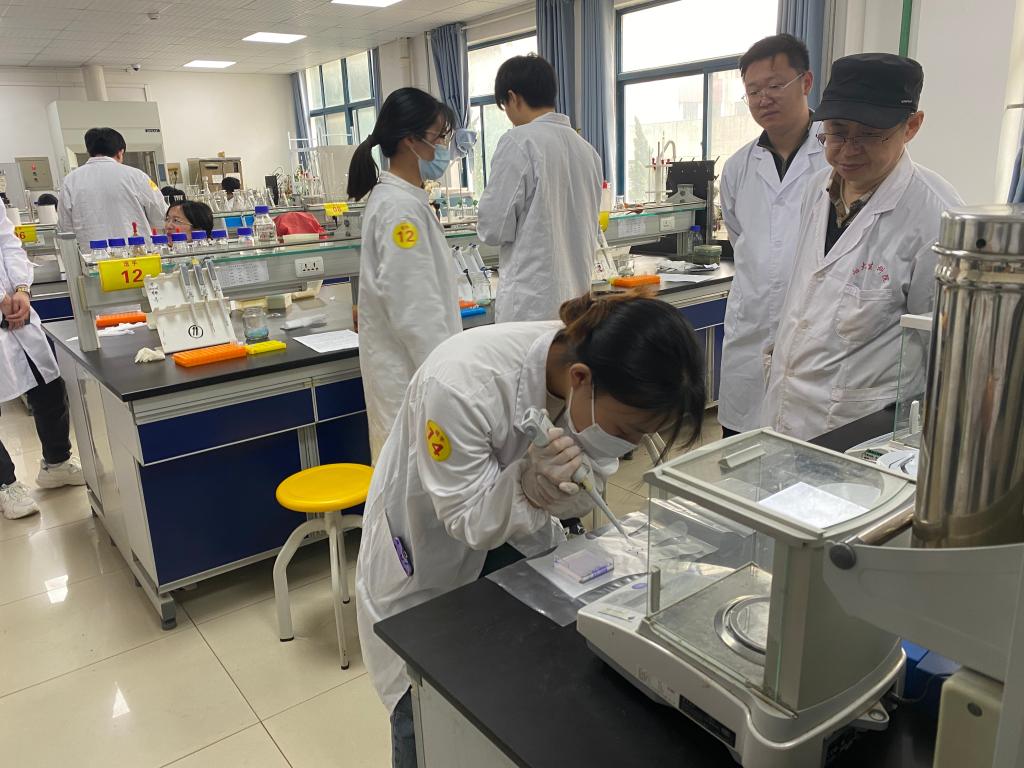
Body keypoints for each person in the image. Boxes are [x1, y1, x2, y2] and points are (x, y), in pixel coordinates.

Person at [355, 290, 706, 767]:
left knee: (509, 705)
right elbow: (465, 519)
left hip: (517, 547)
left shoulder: (594, 380)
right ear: (580, 379)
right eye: (627, 432)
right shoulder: (462, 382)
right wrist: (530, 487)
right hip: (430, 555)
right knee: (423, 704)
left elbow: (587, 485)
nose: (628, 445)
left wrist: (550, 489)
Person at [762, 53, 962, 440]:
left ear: (911, 126)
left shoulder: (936, 216)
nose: (848, 150)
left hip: (861, 429)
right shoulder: (816, 189)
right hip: (786, 409)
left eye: (869, 134)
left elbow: (945, 348)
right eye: (837, 132)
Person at [718, 34, 829, 438]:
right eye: (753, 91)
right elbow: (740, 239)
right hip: (750, 331)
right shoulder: (738, 167)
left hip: (815, 337)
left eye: (775, 85)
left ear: (806, 81)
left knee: (801, 454)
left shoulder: (835, 155)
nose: (763, 98)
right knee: (739, 450)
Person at [347, 88, 463, 461]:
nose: (443, 148)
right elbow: (416, 312)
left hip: (416, 373)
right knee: (413, 476)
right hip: (411, 377)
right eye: (438, 137)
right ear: (410, 140)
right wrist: (450, 381)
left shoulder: (406, 200)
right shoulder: (399, 210)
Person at [477, 54, 603, 323]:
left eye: (504, 106)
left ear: (513, 97)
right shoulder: (587, 151)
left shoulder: (519, 141)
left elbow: (492, 228)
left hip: (530, 305)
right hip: (576, 305)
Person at [0, 199, 85, 520]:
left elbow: (8, 243)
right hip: (6, 304)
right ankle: (5, 484)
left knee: (48, 385)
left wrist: (21, 290)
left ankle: (56, 462)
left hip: (17, 309)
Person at [57, 127, 166, 248]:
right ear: (120, 152)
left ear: (90, 152)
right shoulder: (137, 176)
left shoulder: (70, 181)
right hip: (136, 254)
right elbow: (161, 216)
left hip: (92, 255)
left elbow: (65, 228)